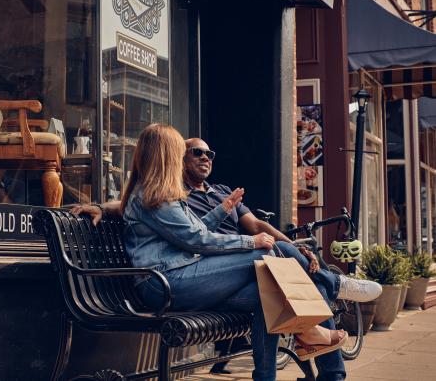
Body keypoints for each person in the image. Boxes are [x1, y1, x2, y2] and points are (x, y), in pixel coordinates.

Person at [72, 135, 382, 380]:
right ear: (173, 157)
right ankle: (331, 289)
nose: (204, 157)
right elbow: (196, 239)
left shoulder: (190, 192)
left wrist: (225, 210)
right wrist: (252, 241)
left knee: (270, 293)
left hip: (194, 273)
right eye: (192, 152)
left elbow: (198, 231)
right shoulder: (159, 195)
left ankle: (273, 373)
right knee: (269, 252)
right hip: (171, 281)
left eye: (209, 154)